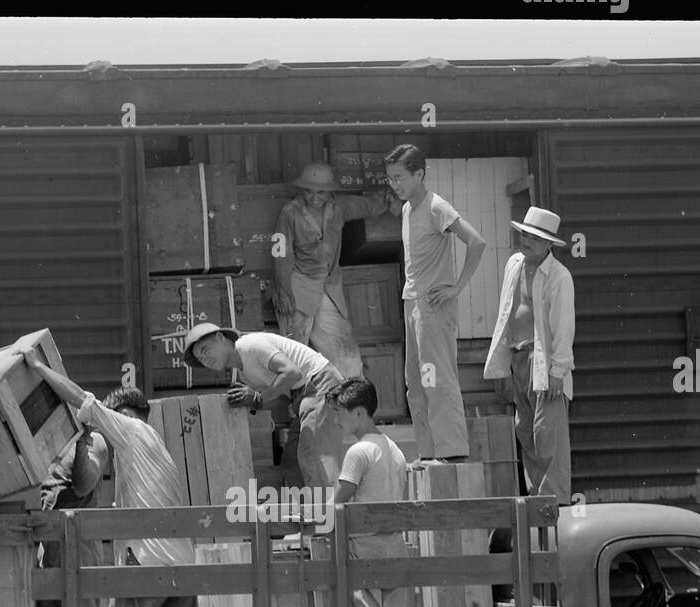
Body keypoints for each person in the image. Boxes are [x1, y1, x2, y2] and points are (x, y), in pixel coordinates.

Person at [23, 352, 227, 607]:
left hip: (147, 565)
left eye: (108, 418)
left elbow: (81, 399)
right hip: (180, 564)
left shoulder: (129, 429)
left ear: (125, 413)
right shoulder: (155, 448)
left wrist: (37, 367)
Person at [383, 143, 486, 463]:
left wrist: (457, 288)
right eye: (390, 179)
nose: (395, 184)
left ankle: (451, 451)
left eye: (399, 177)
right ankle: (428, 453)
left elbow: (477, 242)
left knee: (438, 377)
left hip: (433, 304)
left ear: (419, 174)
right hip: (411, 303)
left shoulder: (436, 206)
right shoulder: (406, 209)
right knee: (415, 382)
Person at [482, 205, 575, 505]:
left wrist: (558, 372)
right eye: (525, 233)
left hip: (543, 361)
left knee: (548, 435)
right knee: (525, 432)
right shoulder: (514, 264)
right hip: (518, 356)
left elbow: (563, 327)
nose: (527, 240)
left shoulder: (559, 277)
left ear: (549, 244)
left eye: (535, 237)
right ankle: (537, 500)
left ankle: (555, 502)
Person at [183, 322, 346, 489]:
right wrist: (254, 403)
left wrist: (258, 397)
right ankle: (312, 511)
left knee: (313, 454)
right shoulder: (244, 375)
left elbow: (292, 373)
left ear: (220, 338)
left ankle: (336, 511)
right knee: (292, 461)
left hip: (321, 383)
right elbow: (283, 398)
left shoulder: (250, 346)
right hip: (303, 397)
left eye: (205, 350)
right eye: (201, 359)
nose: (205, 360)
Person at [272, 161, 396, 378]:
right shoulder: (289, 212)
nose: (315, 197)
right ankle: (300, 408)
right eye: (309, 191)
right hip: (297, 289)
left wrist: (393, 195)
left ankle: (353, 398)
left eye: (321, 192)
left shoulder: (339, 206)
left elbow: (368, 205)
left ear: (330, 191)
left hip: (329, 288)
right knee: (293, 353)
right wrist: (283, 290)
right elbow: (281, 253)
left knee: (344, 350)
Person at [330, 377, 413, 607]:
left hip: (364, 549)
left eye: (339, 412)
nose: (336, 420)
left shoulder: (358, 452)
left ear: (359, 413)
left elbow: (337, 502)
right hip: (394, 547)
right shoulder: (395, 450)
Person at [36, 424, 115, 607]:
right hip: (50, 548)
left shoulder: (96, 441)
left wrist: (82, 442)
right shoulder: (48, 441)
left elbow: (83, 485)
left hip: (78, 549)